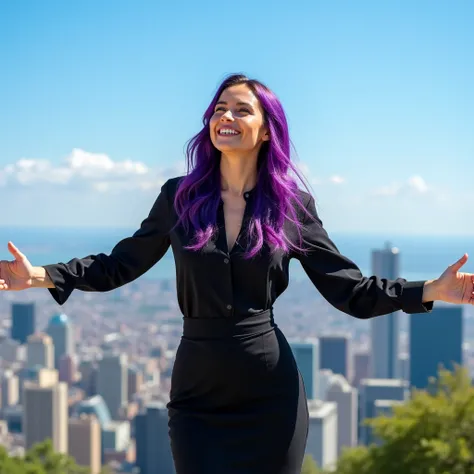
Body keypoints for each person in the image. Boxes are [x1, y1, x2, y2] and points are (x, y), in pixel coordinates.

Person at [0, 74, 473, 474]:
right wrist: (41, 274)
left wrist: (430, 289)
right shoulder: (178, 197)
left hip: (271, 392)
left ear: (267, 130)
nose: (225, 117)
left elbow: (346, 289)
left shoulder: (292, 207)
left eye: (241, 110)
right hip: (197, 390)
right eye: (218, 109)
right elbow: (120, 263)